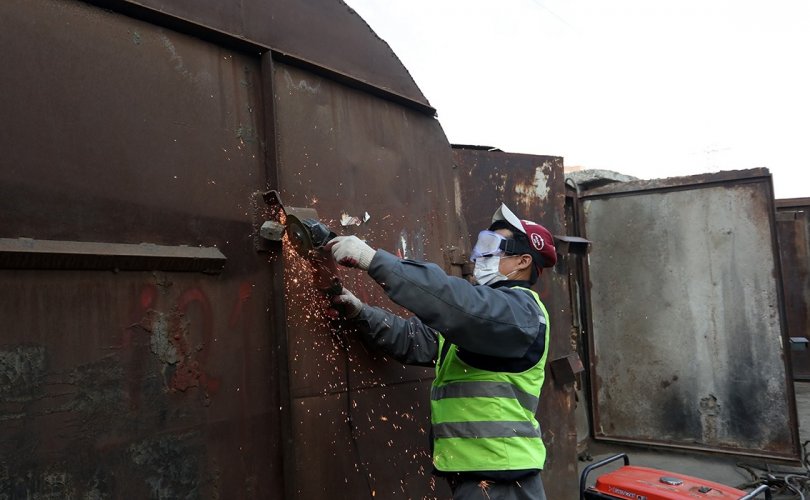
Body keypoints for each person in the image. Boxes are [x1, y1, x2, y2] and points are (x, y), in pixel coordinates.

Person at [327, 203, 556, 500]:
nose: (481, 256)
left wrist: (373, 260)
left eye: (493, 246)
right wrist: (359, 312)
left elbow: (456, 304)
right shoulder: (484, 319)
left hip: (502, 479)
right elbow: (413, 339)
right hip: (476, 474)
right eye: (482, 245)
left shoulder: (520, 311)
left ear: (523, 261)